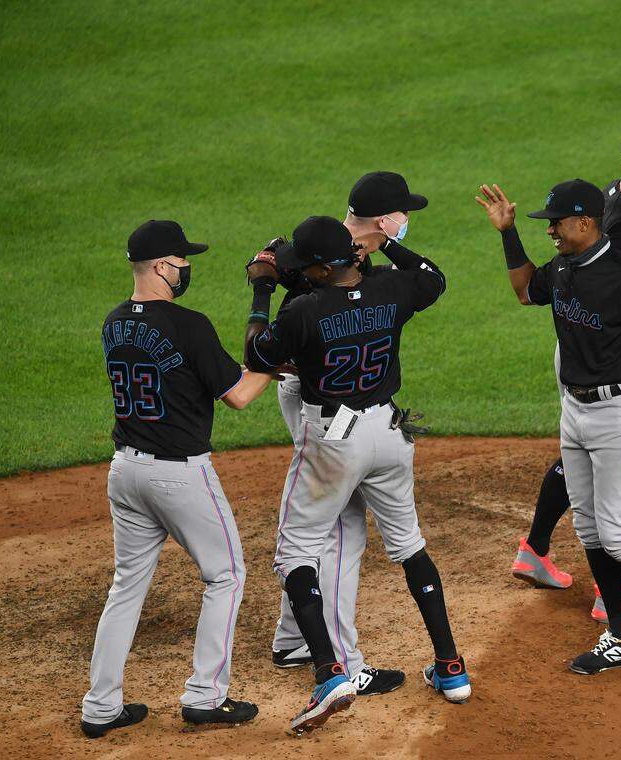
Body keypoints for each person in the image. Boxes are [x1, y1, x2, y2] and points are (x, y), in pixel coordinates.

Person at [244, 214, 468, 733]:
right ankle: (451, 667)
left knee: (296, 552)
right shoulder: (391, 288)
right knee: (409, 545)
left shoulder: (303, 309)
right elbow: (433, 278)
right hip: (390, 433)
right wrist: (381, 246)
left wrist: (261, 290)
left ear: (320, 269)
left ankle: (328, 672)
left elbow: (257, 352)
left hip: (335, 439)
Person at [478, 179, 621, 677]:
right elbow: (523, 290)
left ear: (586, 222)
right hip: (575, 413)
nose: (551, 229)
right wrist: (508, 234)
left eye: (556, 222)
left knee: (618, 532)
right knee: (589, 528)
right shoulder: (561, 270)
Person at [82, 220, 272, 738]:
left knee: (126, 587)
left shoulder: (113, 322)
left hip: (125, 471)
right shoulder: (189, 325)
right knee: (227, 575)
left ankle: (100, 708)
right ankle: (206, 697)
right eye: (183, 261)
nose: (188, 268)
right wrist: (277, 357)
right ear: (164, 267)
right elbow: (238, 394)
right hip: (178, 476)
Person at [510, 120, 621, 625]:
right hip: (608, 356)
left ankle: (538, 549)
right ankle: (614, 593)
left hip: (593, 354)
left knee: (589, 476)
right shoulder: (618, 231)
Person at [269, 172, 429, 700]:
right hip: (324, 400)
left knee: (325, 523)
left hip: (324, 396)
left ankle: (293, 637)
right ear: (385, 220)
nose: (408, 221)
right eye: (404, 214)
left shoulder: (329, 249)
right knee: (339, 532)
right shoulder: (333, 260)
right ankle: (340, 661)